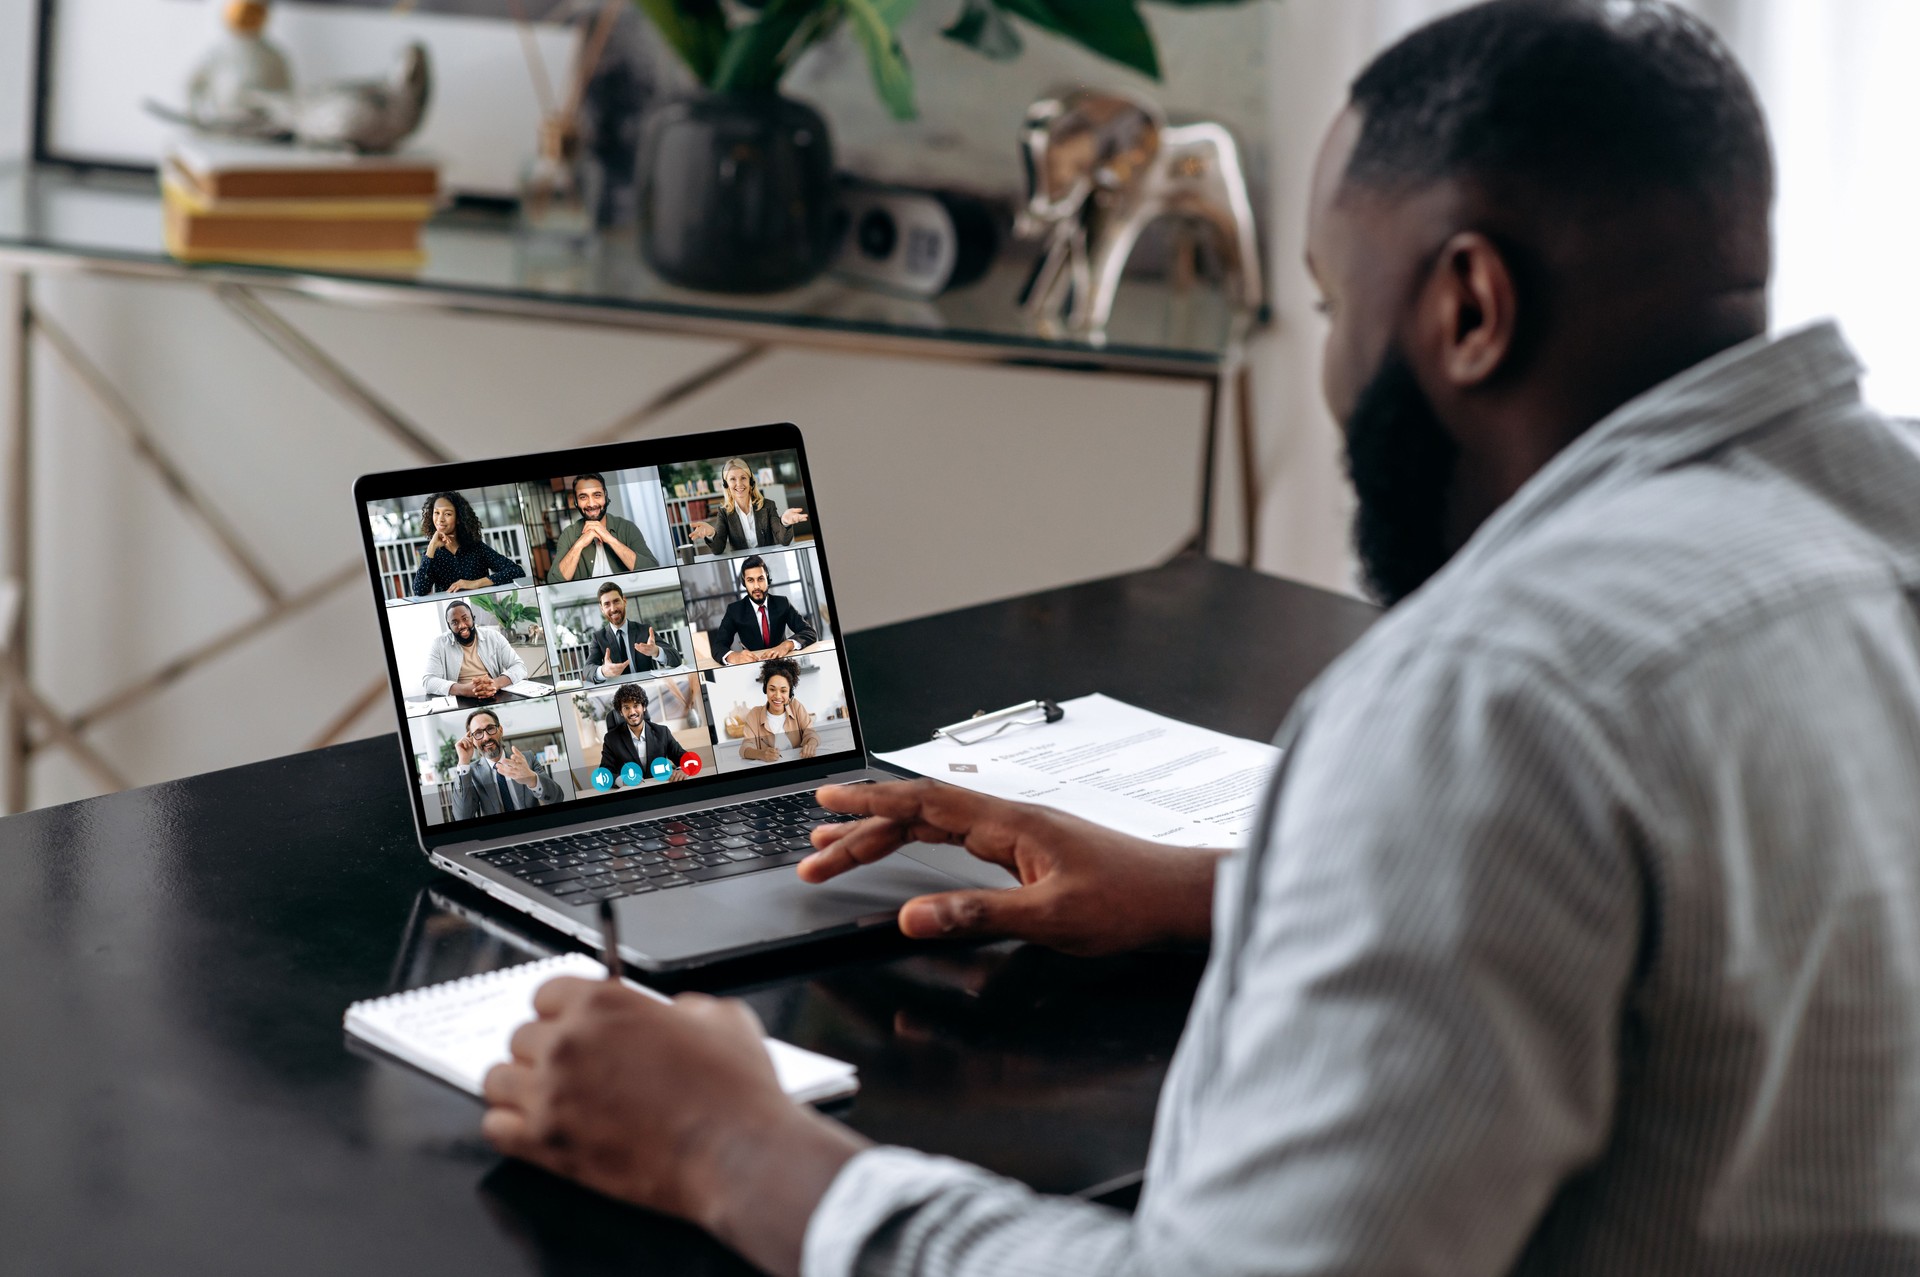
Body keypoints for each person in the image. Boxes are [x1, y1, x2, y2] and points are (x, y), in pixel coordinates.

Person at [478, 5, 1920, 1275]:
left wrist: (739, 1151)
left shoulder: (1493, 698)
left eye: (1331, 302)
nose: (1338, 362)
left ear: (1470, 307)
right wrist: (1234, 891)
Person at [704, 555, 819, 666]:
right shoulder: (734, 610)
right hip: (751, 666)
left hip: (781, 663)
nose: (756, 586)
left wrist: (786, 645)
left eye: (760, 579)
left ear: (767, 579)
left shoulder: (782, 603)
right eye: (750, 580)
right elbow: (718, 646)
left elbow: (809, 632)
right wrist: (735, 657)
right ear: (744, 583)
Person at [446, 709, 561, 819]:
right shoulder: (471, 773)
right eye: (478, 733)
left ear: (500, 730)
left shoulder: (527, 759)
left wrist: (531, 779)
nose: (486, 737)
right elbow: (462, 816)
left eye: (490, 728)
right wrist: (463, 763)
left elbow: (556, 798)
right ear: (473, 740)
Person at [546, 472, 660, 583]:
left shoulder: (627, 527)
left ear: (605, 496)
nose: (591, 504)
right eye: (583, 497)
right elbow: (553, 580)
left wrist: (610, 539)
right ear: (576, 502)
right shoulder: (568, 534)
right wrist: (579, 545)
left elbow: (652, 569)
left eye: (597, 495)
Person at [411, 491, 526, 596]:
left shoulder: (476, 547)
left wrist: (475, 583)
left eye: (447, 514)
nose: (440, 519)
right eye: (436, 513)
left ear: (458, 518)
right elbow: (419, 590)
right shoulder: (432, 554)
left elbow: (516, 571)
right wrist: (431, 546)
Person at [688, 457, 809, 555]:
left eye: (743, 478)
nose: (739, 484)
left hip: (771, 559)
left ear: (751, 482)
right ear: (726, 485)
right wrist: (711, 534)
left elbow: (784, 540)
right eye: (732, 479)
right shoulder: (724, 512)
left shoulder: (768, 505)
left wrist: (785, 523)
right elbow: (718, 549)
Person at [421, 600, 527, 700]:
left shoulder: (494, 637)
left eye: (465, 618)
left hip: (494, 693)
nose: (462, 625)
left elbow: (519, 667)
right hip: (461, 699)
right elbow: (428, 681)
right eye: (455, 622)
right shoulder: (439, 643)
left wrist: (495, 683)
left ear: (473, 618)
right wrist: (464, 690)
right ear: (449, 626)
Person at [582, 580, 681, 685]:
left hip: (648, 688)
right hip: (619, 693)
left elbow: (676, 659)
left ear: (624, 601)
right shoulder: (598, 638)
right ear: (602, 609)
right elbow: (587, 669)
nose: (613, 608)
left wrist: (656, 651)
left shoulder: (644, 630)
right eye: (607, 604)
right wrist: (603, 671)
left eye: (616, 601)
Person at [596, 681, 691, 786]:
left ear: (644, 707)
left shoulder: (662, 732)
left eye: (636, 705)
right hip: (631, 792)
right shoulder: (611, 739)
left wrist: (683, 769)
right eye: (626, 708)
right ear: (620, 712)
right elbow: (604, 772)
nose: (632, 712)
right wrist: (621, 780)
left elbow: (685, 758)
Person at [736, 658, 820, 763]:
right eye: (772, 689)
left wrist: (811, 743)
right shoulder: (754, 714)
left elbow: (810, 733)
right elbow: (744, 748)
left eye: (783, 691)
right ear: (765, 689)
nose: (777, 696)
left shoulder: (796, 707)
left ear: (790, 693)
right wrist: (761, 754)